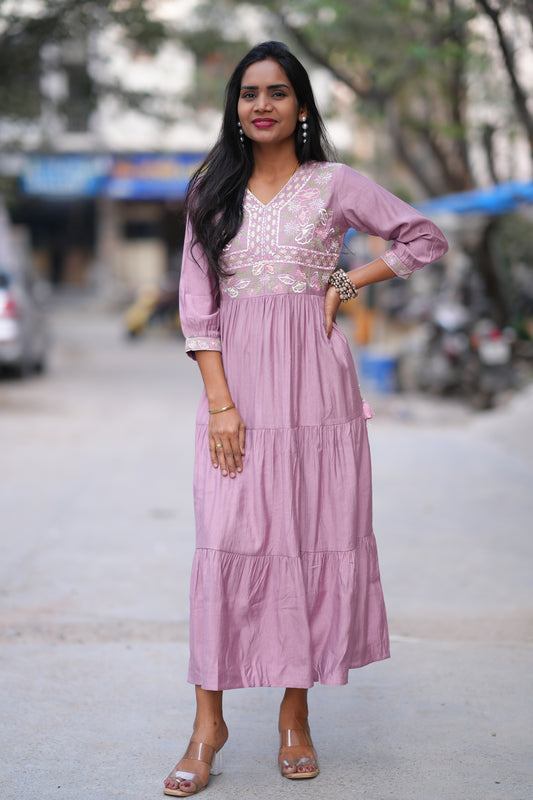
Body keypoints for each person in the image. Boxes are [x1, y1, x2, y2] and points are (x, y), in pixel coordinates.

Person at [164, 40, 448, 796]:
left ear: (300, 107)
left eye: (278, 92)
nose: (261, 104)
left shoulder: (335, 185)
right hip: (239, 397)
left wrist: (349, 278)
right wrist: (221, 404)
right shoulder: (209, 192)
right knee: (225, 543)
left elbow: (422, 236)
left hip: (318, 399)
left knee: (308, 540)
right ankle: (207, 723)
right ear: (235, 106)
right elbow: (197, 307)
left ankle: (295, 716)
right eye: (249, 92)